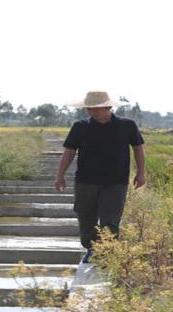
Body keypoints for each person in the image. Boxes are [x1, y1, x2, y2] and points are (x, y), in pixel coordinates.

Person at [54, 91, 146, 263]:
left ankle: (107, 254)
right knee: (85, 218)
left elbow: (138, 148)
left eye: (96, 108)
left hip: (115, 182)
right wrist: (60, 175)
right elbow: (69, 152)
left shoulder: (127, 125)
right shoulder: (80, 127)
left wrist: (141, 173)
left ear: (108, 107)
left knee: (110, 220)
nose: (92, 112)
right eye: (89, 108)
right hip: (85, 182)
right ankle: (91, 248)